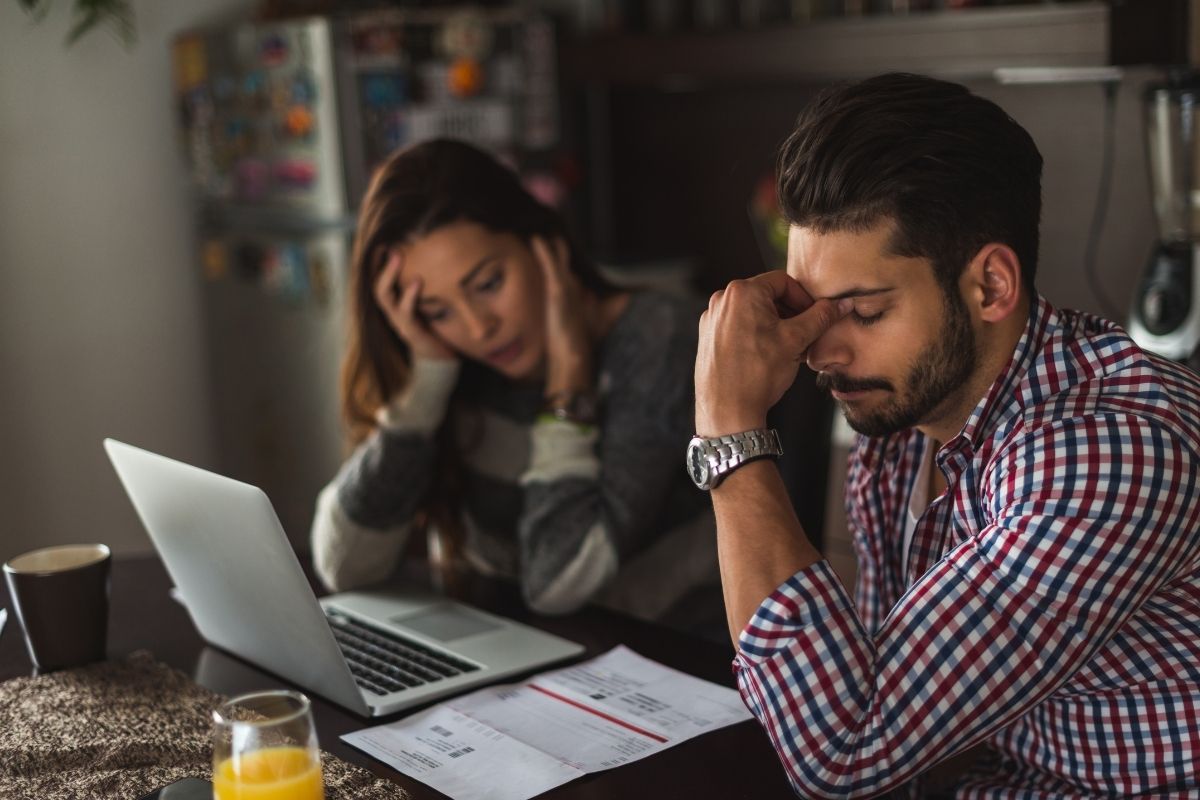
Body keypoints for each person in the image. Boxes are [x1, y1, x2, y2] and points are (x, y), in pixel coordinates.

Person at [692, 73, 1200, 798]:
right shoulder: (898, 419)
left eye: (862, 311)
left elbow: (846, 747)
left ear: (990, 286)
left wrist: (730, 434)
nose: (820, 353)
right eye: (811, 307)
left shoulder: (1106, 451)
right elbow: (870, 697)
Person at [312, 138, 720, 631]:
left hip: (666, 666)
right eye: (437, 311)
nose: (478, 328)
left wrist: (569, 381)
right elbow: (343, 565)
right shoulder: (456, 365)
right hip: (519, 660)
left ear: (541, 242)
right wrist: (425, 386)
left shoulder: (659, 339)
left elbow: (558, 583)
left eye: (487, 284)